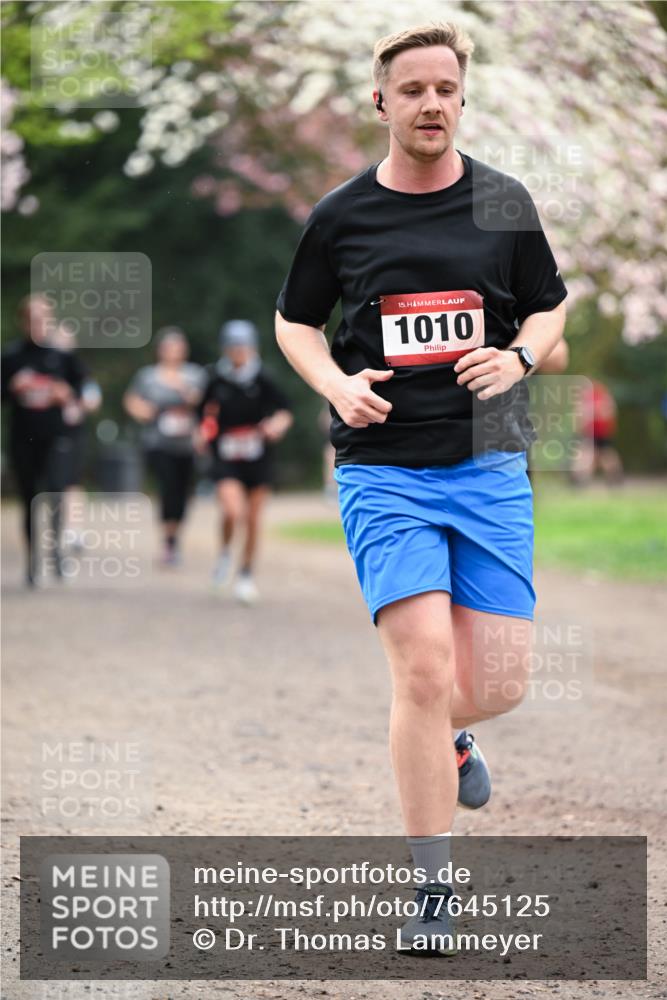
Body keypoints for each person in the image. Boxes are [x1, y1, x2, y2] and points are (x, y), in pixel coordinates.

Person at [275, 23, 567, 953]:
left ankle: (443, 735)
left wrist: (519, 356)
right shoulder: (340, 216)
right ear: (381, 102)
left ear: (461, 98)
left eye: (445, 88)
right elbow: (294, 325)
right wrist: (335, 385)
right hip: (384, 469)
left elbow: (552, 305)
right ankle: (432, 893)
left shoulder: (501, 201)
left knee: (500, 683)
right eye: (412, 90)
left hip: (488, 464)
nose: (431, 103)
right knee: (424, 672)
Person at [200, 320, 292, 604]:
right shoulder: (216, 378)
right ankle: (226, 554)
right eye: (234, 347)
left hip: (258, 455)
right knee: (232, 511)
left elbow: (285, 410)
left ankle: (245, 575)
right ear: (226, 349)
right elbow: (202, 412)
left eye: (244, 347)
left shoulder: (264, 378)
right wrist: (202, 432)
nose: (239, 352)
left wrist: (276, 425)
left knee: (252, 519)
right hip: (227, 454)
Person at [1, 294, 86, 585]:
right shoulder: (11, 357)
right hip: (22, 439)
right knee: (29, 500)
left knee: (55, 493)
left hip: (56, 438)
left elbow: (82, 390)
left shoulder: (62, 357)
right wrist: (12, 388)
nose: (37, 324)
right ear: (23, 321)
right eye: (32, 318)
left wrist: (66, 394)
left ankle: (55, 551)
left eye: (43, 318)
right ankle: (31, 561)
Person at [123, 328, 205, 565]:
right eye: (169, 347)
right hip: (159, 443)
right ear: (160, 351)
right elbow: (131, 400)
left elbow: (203, 401)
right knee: (167, 488)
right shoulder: (148, 376)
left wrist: (185, 392)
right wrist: (142, 411)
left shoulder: (194, 374)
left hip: (187, 444)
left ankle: (175, 534)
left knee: (183, 492)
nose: (173, 352)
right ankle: (169, 541)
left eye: (177, 347)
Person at [50, 322, 103, 550]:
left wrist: (76, 401)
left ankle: (74, 529)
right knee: (54, 484)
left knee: (72, 482)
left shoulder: (80, 371)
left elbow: (93, 400)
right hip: (49, 434)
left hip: (73, 434)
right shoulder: (47, 368)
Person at [571, 378, 623, 485]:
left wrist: (594, 413)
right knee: (588, 454)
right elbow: (579, 417)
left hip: (601, 431)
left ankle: (614, 477)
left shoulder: (599, 395)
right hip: (590, 433)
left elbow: (609, 410)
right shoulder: (585, 399)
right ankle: (580, 478)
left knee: (605, 455)